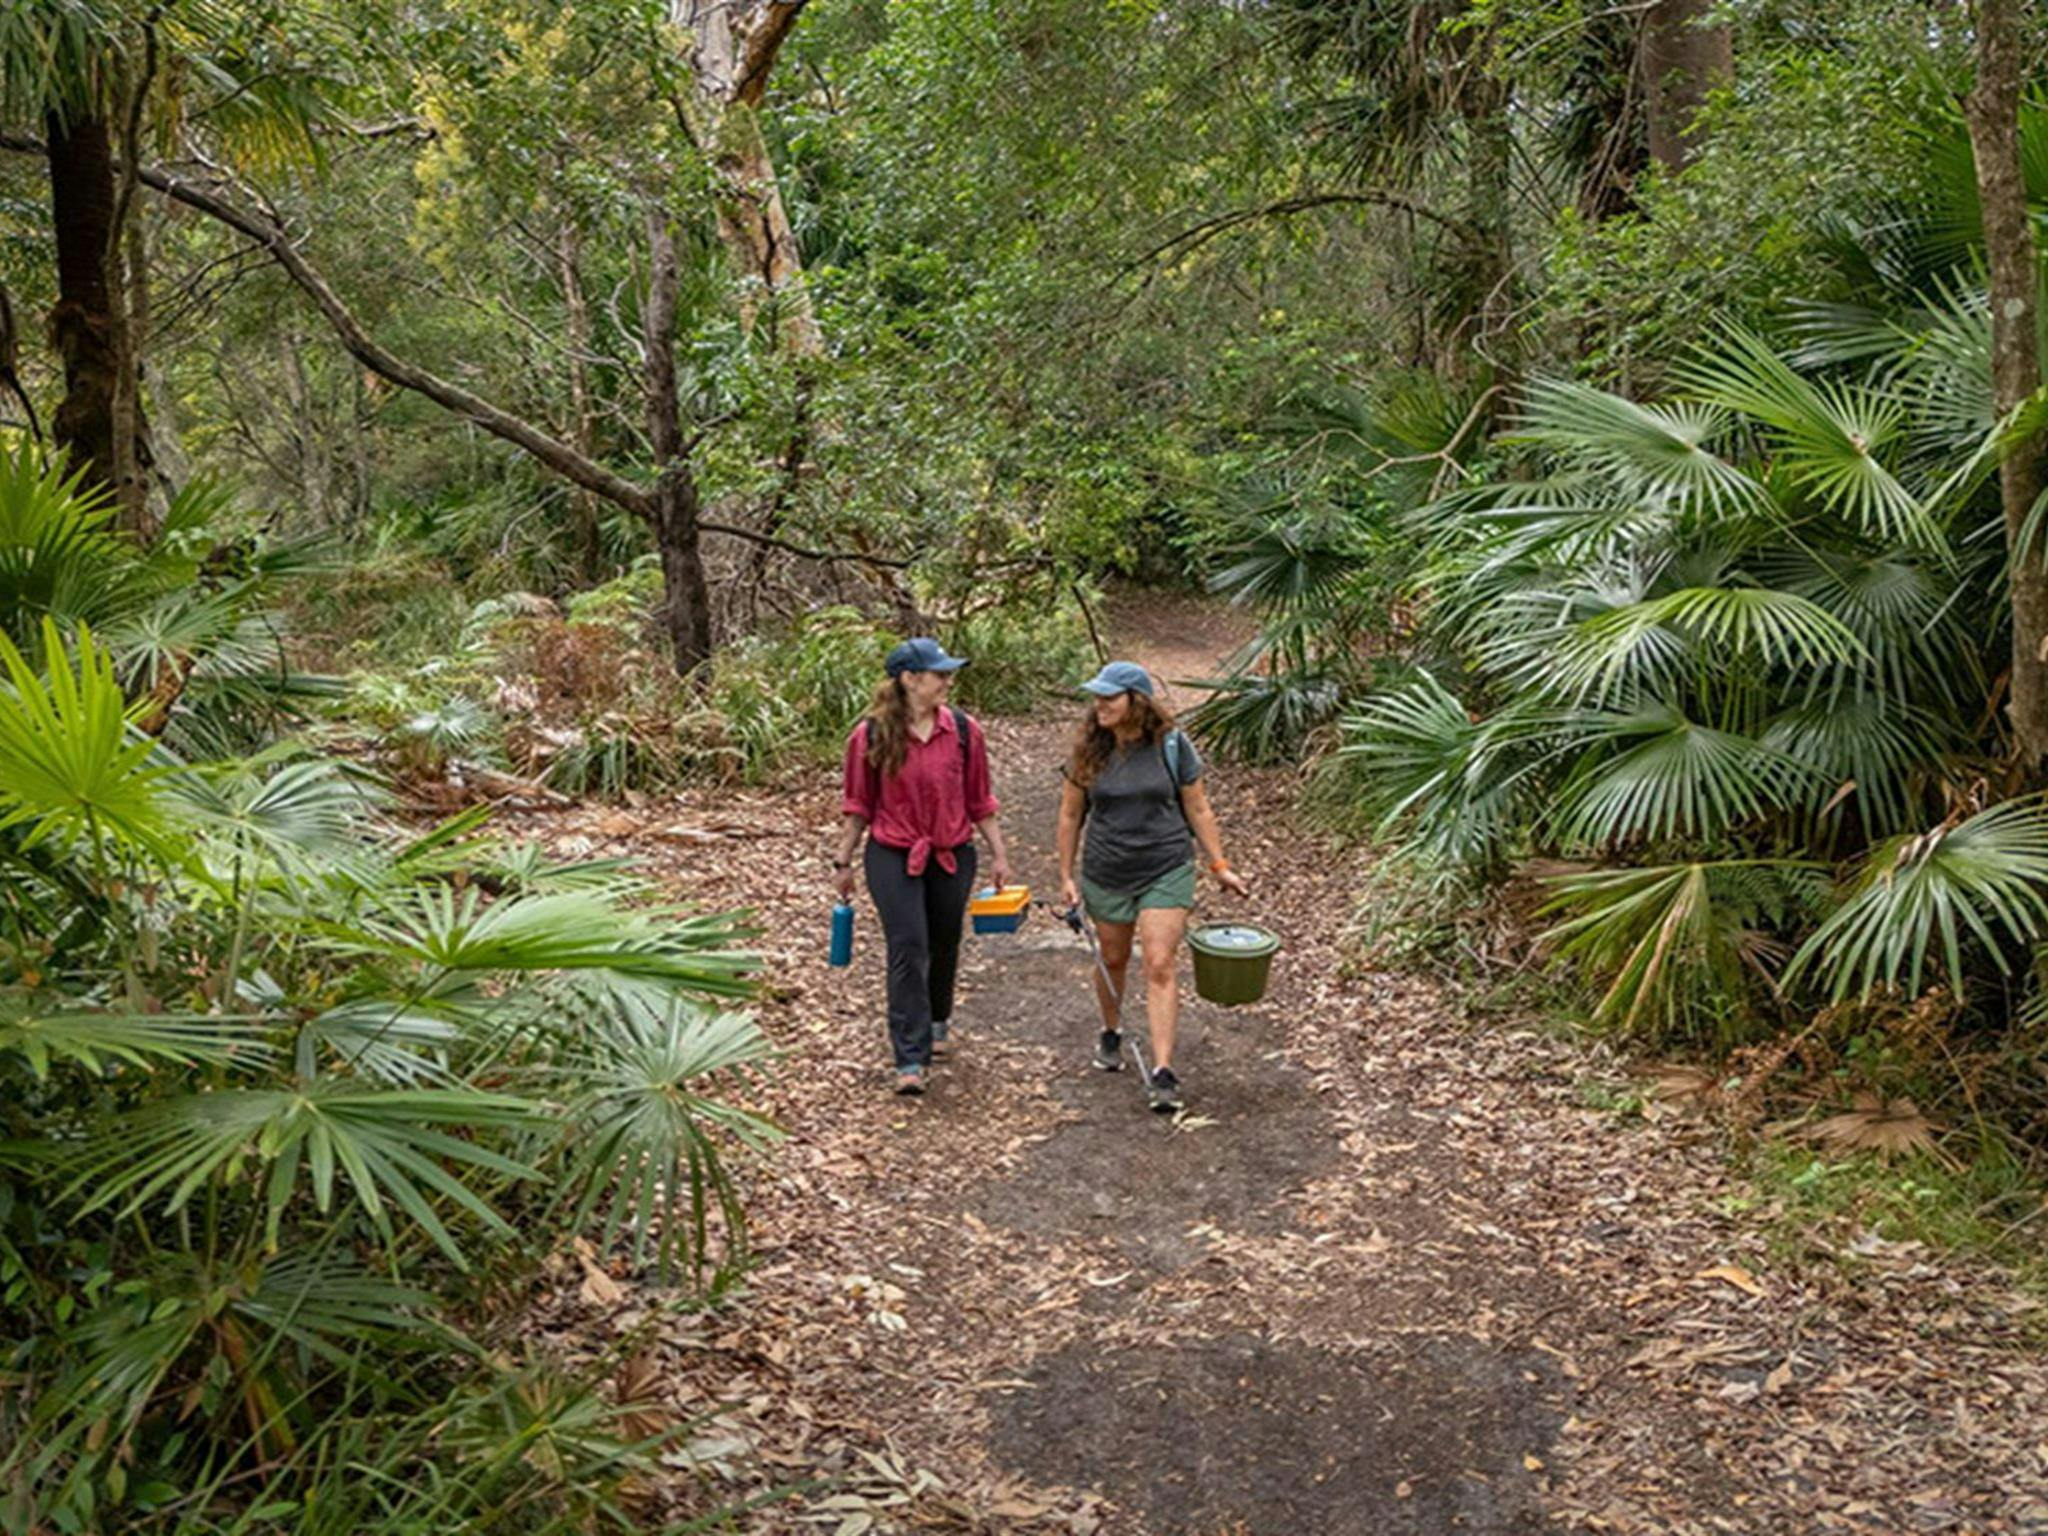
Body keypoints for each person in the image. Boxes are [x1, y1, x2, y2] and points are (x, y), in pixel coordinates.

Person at [1056, 660, 1251, 1112]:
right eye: (1097, 696)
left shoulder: (1172, 745)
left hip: (1166, 865)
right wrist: (1065, 876)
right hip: (1107, 869)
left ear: (1136, 702)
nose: (1100, 704)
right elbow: (1070, 814)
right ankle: (1111, 1030)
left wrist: (1219, 865)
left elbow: (1198, 807)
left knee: (1159, 962)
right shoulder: (1088, 750)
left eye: (1110, 696)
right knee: (1113, 958)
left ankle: (1163, 1071)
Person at [834, 637, 1012, 1095]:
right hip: (892, 852)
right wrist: (843, 861)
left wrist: (999, 854)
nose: (948, 682)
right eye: (940, 674)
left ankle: (936, 1019)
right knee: (908, 944)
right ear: (909, 679)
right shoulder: (870, 735)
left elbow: (979, 800)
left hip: (952, 851)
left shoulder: (965, 731)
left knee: (944, 938)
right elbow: (858, 805)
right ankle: (909, 1056)